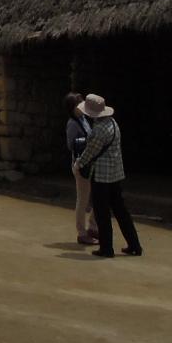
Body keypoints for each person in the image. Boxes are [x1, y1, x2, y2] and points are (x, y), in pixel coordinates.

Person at [74, 93, 142, 258]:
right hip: (115, 173)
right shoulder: (113, 123)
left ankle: (106, 248)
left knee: (102, 212)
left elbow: (90, 152)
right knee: (121, 210)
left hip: (101, 176)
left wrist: (78, 164)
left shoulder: (98, 130)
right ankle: (134, 244)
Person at [64, 91, 99, 246]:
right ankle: (82, 232)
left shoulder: (83, 119)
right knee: (83, 200)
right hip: (81, 164)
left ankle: (93, 227)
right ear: (72, 108)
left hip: (90, 163)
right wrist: (88, 141)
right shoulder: (73, 123)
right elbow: (71, 144)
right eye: (79, 104)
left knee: (96, 196)